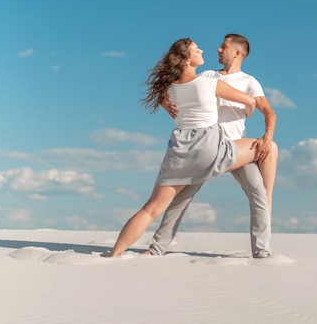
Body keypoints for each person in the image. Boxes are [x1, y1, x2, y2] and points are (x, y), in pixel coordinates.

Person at [106, 37, 276, 257]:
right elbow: (248, 102)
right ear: (187, 59)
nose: (216, 48)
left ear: (237, 53)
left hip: (194, 148)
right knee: (269, 149)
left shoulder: (249, 81)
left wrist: (163, 99)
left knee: (256, 194)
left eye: (224, 46)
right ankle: (157, 247)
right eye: (198, 49)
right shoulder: (208, 77)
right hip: (216, 148)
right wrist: (249, 110)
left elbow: (268, 110)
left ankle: (262, 250)